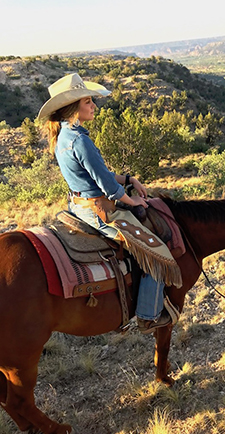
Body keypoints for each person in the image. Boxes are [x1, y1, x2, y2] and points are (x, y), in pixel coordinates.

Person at [38, 73, 172, 333]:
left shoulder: (64, 137)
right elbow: (107, 185)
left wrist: (130, 177)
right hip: (99, 211)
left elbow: (97, 173)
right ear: (73, 107)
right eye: (88, 101)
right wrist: (130, 199)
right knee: (156, 252)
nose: (93, 106)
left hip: (78, 206)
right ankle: (147, 314)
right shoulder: (80, 140)